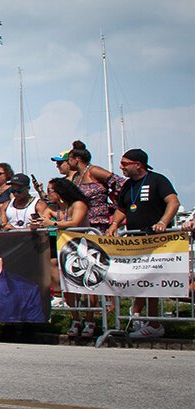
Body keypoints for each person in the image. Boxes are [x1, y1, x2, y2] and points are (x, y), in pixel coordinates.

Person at [107, 149, 179, 339]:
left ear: (137, 164)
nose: (121, 167)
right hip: (134, 241)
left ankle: (154, 323)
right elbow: (122, 208)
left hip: (156, 241)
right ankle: (138, 314)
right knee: (140, 280)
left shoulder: (158, 180)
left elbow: (173, 202)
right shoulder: (128, 185)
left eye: (124, 164)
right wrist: (114, 224)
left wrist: (163, 221)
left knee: (152, 281)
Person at [37, 177, 95, 338]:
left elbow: (76, 222)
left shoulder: (78, 204)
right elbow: (43, 217)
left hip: (83, 247)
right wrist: (39, 222)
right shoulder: (56, 208)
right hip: (66, 248)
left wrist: (52, 223)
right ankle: (75, 319)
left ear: (60, 192)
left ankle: (90, 320)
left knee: (87, 286)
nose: (48, 194)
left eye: (50, 191)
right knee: (69, 287)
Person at [63, 141, 126, 232]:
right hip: (81, 225)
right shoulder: (76, 176)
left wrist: (117, 204)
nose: (67, 163)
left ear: (76, 159)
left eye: (68, 160)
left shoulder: (94, 171)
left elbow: (121, 183)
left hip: (98, 225)